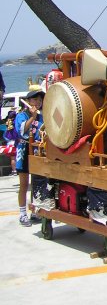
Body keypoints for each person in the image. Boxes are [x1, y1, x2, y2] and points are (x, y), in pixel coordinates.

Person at [15, 90, 45, 227]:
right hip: (24, 150)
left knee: (36, 183)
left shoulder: (41, 117)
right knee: (24, 184)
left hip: (37, 151)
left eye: (40, 100)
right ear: (29, 102)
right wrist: (32, 117)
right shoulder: (21, 116)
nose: (38, 102)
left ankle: (34, 210)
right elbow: (22, 132)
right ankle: (22, 213)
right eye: (35, 100)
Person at [3, 110, 19, 175]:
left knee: (13, 158)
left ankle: (14, 171)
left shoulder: (8, 125)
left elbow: (5, 136)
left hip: (10, 143)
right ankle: (19, 170)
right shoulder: (16, 124)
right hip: (17, 142)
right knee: (19, 158)